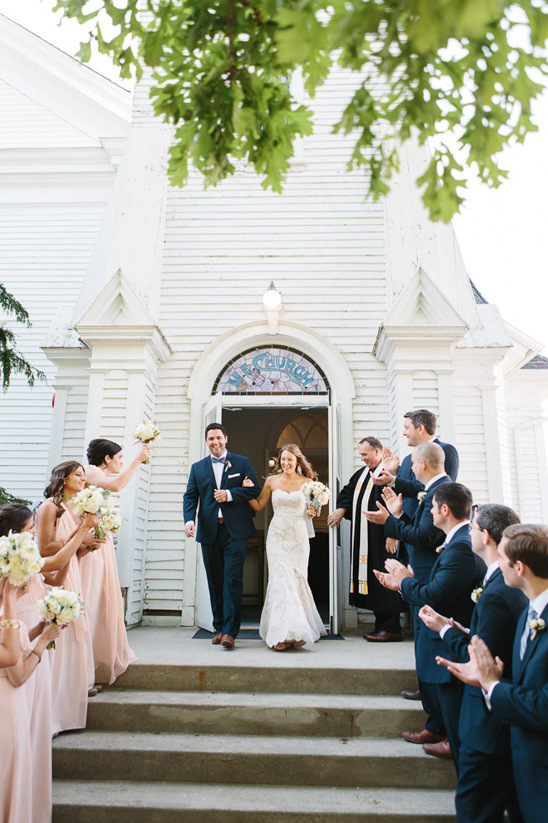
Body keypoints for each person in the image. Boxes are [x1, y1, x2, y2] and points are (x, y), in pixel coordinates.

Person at [421, 504, 525, 823]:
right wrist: (463, 629)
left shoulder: (497, 592)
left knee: (473, 810)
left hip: (486, 727)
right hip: (496, 724)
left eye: (473, 527)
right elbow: (488, 639)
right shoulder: (500, 583)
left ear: (487, 537)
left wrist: (444, 630)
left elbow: (479, 656)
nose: (469, 532)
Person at [438, 524, 548, 823]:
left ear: (520, 568)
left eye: (501, 557)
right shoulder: (530, 612)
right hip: (518, 751)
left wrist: (492, 686)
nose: (497, 563)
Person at [374, 482, 485, 771]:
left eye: (431, 507)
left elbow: (435, 597)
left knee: (454, 718)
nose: (429, 511)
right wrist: (404, 582)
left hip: (451, 642)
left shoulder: (460, 548)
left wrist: (404, 581)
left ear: (444, 509)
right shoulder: (455, 541)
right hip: (445, 635)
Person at [365, 441, 450, 741]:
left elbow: (426, 536)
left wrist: (390, 522)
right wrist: (400, 515)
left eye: (413, 465)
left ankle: (438, 727)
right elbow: (420, 527)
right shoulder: (435, 489)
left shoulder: (439, 492)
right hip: (420, 574)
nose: (411, 469)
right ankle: (434, 721)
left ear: (423, 465)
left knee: (429, 650)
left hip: (427, 578)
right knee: (424, 650)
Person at [183, 423, 260, 649]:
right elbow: (190, 497)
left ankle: (230, 632)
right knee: (215, 580)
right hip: (209, 531)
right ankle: (218, 628)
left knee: (232, 580)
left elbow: (254, 490)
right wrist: (189, 520)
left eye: (218, 437)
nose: (215, 442)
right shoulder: (198, 468)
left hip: (235, 531)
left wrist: (229, 494)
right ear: (206, 441)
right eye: (210, 439)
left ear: (226, 439)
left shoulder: (241, 462)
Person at [35, 461, 99, 733]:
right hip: (53, 573)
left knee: (75, 627)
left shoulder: (74, 508)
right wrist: (78, 539)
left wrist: (85, 547)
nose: (83, 479)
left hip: (71, 567)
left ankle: (73, 690)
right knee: (62, 629)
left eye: (84, 475)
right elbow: (44, 546)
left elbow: (72, 545)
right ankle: (56, 699)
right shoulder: (49, 507)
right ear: (63, 478)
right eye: (78, 475)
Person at [243, 444, 326, 650]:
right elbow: (259, 505)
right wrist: (246, 492)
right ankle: (280, 634)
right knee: (281, 579)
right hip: (278, 534)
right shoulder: (272, 481)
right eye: (283, 459)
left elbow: (311, 514)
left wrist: (317, 503)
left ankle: (298, 630)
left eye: (290, 459)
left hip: (298, 535)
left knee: (296, 579)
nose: (286, 463)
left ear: (298, 461)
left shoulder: (308, 483)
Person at [82, 438, 148, 684]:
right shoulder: (90, 471)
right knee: (91, 599)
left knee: (103, 599)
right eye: (119, 457)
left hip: (104, 542)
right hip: (93, 545)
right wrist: (137, 461)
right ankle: (84, 665)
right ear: (107, 459)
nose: (121, 461)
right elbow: (117, 486)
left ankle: (99, 658)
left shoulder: (96, 474)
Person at [327, 437, 402, 641]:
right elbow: (348, 493)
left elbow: (398, 505)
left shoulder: (390, 472)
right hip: (365, 538)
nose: (362, 458)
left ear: (377, 451)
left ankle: (392, 627)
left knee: (385, 579)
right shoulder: (362, 474)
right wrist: (341, 510)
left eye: (365, 454)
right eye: (361, 455)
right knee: (374, 580)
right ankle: (381, 625)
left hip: (383, 537)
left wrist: (393, 534)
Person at [0, 577, 60, 823]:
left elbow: (14, 643)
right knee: (9, 782)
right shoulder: (7, 617)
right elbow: (18, 672)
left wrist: (38, 630)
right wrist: (44, 641)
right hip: (7, 714)